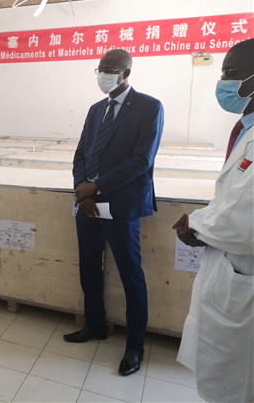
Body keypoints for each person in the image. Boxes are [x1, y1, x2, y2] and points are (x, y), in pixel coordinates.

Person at [65, 49, 164, 376]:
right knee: (89, 266)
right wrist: (81, 187)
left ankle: (135, 345)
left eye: (111, 70)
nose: (104, 75)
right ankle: (95, 324)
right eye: (100, 69)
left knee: (130, 274)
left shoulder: (149, 107)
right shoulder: (96, 109)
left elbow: (141, 160)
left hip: (121, 205)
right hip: (88, 204)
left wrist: (96, 187)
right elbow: (81, 153)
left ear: (126, 73)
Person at [173, 38, 253, 402]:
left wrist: (197, 226)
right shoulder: (246, 129)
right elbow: (232, 198)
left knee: (238, 381)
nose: (223, 83)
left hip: (242, 268)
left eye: (231, 73)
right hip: (229, 265)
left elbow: (244, 220)